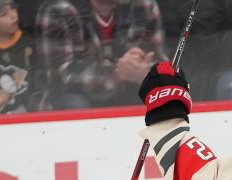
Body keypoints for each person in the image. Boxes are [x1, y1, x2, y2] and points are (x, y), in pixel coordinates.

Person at [36, 0, 165, 110]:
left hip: (129, 92)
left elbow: (160, 61)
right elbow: (60, 73)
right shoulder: (58, 9)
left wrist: (145, 71)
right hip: (77, 100)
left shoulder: (144, 5)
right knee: (73, 103)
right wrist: (117, 73)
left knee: (165, 95)